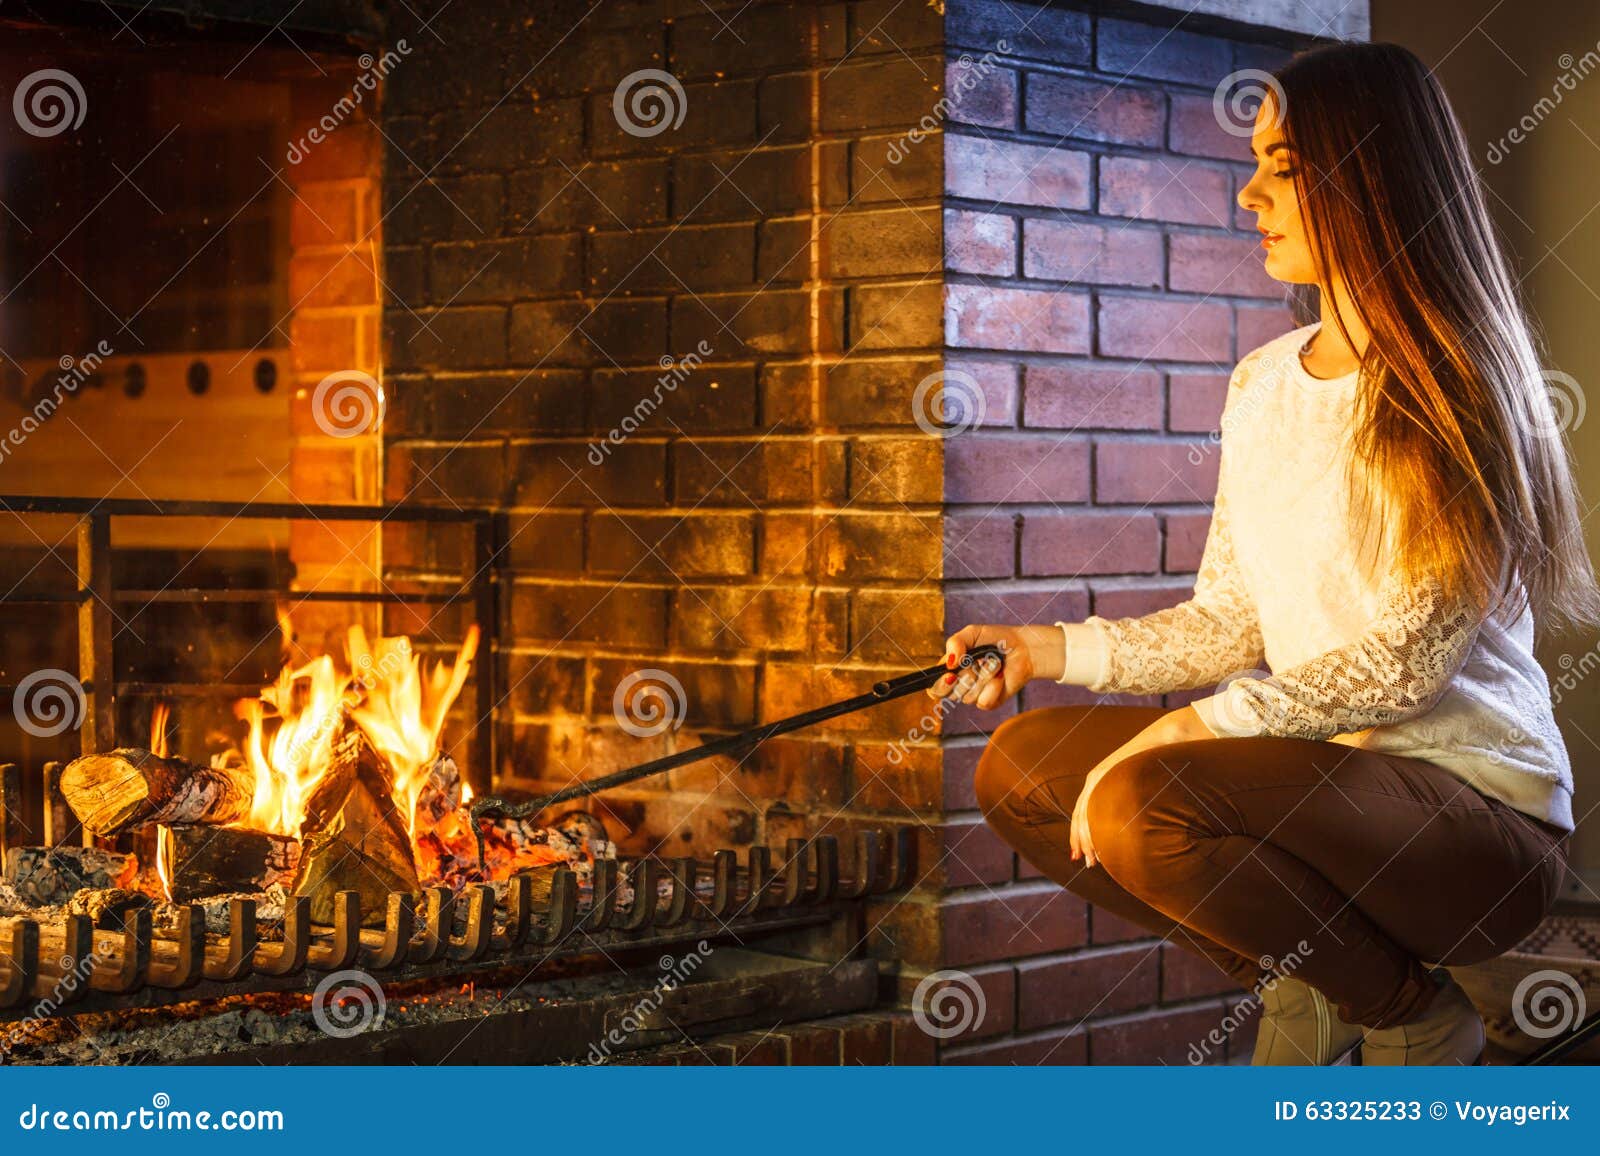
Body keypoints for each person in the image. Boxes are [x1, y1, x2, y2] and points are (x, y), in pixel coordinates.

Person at [932, 41, 1600, 1066]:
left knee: (1140, 800)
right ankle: (1334, 981)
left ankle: (1416, 1012)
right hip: (1319, 791)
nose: (1248, 193)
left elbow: (1404, 665)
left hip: (1472, 816)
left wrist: (1176, 735)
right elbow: (1232, 619)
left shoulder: (1458, 386)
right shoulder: (1263, 384)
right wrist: (1045, 648)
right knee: (1024, 771)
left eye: (1282, 167)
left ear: (1369, 174)